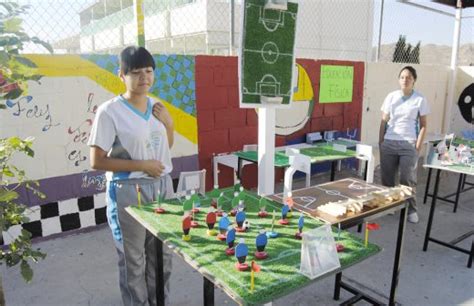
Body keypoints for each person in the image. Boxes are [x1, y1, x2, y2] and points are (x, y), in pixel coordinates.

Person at [88, 46, 175, 305]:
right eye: (135, 72)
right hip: (129, 190)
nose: (144, 77)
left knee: (162, 256)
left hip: (162, 187)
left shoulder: (157, 107)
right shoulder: (110, 111)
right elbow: (96, 161)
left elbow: (163, 148)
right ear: (121, 75)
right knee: (133, 260)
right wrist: (142, 165)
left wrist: (169, 124)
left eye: (148, 71)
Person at [379, 66, 429, 224]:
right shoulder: (391, 97)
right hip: (389, 142)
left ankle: (411, 210)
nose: (405, 80)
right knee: (387, 178)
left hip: (408, 144)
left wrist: (418, 146)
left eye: (408, 77)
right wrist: (381, 142)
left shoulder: (420, 99)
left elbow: (423, 125)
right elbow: (383, 121)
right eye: (402, 77)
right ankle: (390, 206)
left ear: (414, 80)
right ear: (398, 79)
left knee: (407, 179)